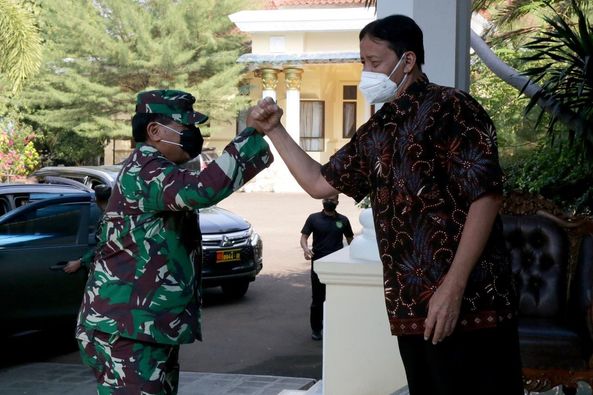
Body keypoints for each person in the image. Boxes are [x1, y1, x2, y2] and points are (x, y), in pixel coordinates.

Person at [250, 14, 523, 395]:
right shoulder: (378, 129)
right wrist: (274, 130)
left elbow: (487, 196)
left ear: (407, 61)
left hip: (471, 303)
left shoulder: (453, 107)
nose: (366, 72)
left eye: (374, 62)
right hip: (410, 306)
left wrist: (452, 288)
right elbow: (318, 182)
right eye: (362, 63)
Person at [75, 89, 273, 394]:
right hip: (128, 330)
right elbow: (203, 189)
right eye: (186, 129)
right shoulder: (145, 172)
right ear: (155, 131)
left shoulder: (155, 171)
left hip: (143, 327)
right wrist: (252, 133)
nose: (194, 136)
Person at [300, 194, 353, 341]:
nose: (329, 202)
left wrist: (352, 256)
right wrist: (305, 249)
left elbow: (350, 240)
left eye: (332, 200)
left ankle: (336, 326)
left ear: (337, 201)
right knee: (318, 298)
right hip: (318, 263)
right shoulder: (313, 218)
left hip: (338, 265)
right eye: (326, 199)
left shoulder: (343, 220)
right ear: (322, 200)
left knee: (337, 297)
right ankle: (316, 329)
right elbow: (304, 237)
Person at [63, 184, 112, 273]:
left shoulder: (107, 220)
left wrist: (80, 261)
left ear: (96, 199)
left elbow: (102, 246)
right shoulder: (116, 215)